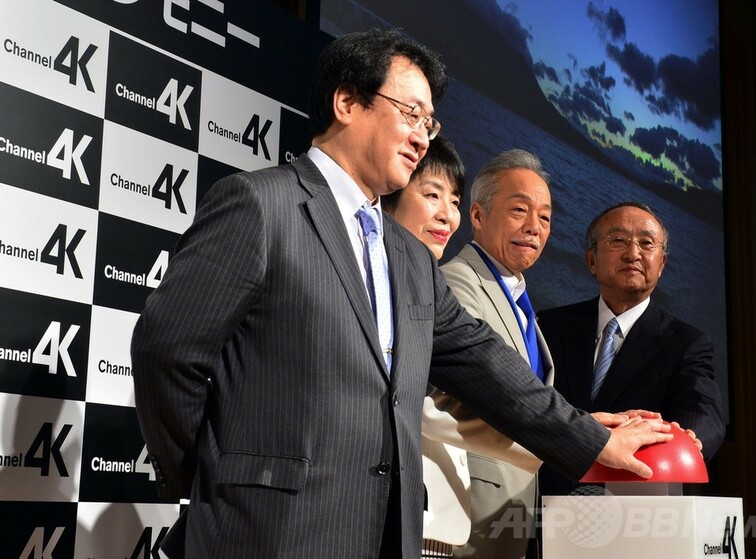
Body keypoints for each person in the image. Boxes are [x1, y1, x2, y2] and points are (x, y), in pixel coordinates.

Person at [131, 29, 671, 559]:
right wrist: (210, 471)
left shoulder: (410, 257)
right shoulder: (260, 205)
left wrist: (587, 434)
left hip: (389, 533)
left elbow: (485, 364)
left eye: (429, 123)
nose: (422, 137)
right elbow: (167, 351)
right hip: (267, 530)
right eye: (410, 113)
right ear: (347, 102)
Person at [537, 201, 726, 500]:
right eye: (618, 240)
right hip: (544, 500)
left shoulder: (686, 342)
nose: (633, 253)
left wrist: (688, 437)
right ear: (591, 260)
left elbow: (702, 407)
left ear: (661, 264)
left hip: (634, 502)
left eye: (647, 243)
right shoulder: (547, 326)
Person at [425, 149, 552, 558]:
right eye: (520, 210)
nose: (534, 227)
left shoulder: (518, 298)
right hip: (464, 519)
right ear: (477, 215)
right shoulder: (455, 283)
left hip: (510, 520)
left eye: (545, 217)